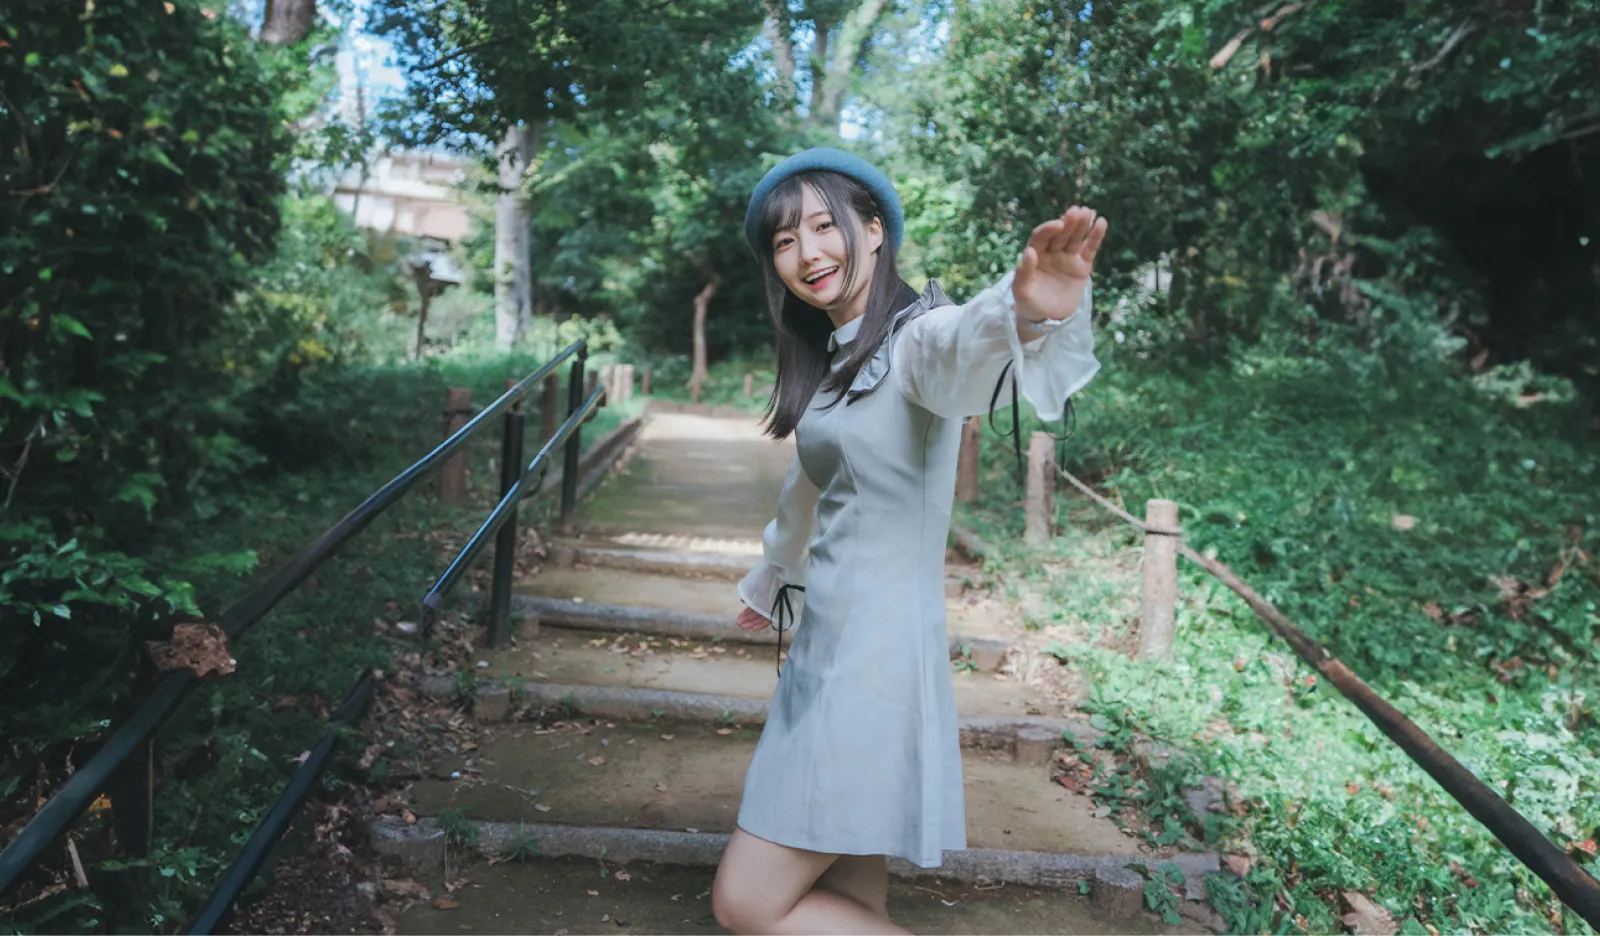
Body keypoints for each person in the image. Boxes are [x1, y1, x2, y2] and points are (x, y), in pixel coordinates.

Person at [709, 147, 1107, 936]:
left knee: (746, 902)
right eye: (785, 240)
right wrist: (772, 575)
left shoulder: (916, 339)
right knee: (855, 901)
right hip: (825, 649)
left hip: (873, 664)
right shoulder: (832, 364)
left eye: (824, 227)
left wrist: (1029, 314)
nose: (808, 253)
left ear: (874, 230)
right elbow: (809, 485)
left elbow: (964, 344)